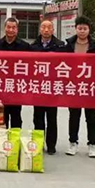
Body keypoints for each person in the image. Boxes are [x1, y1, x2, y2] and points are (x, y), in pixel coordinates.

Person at [61, 15, 95, 158]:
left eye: (85, 28)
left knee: (91, 117)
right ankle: (73, 143)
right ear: (75, 29)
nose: (82, 31)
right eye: (80, 28)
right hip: (74, 86)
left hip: (90, 86)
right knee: (74, 116)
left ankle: (92, 145)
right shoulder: (68, 45)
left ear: (89, 30)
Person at [30, 16, 64, 154]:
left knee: (51, 118)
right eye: (43, 27)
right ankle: (39, 143)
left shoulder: (60, 46)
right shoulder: (33, 46)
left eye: (49, 27)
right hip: (38, 87)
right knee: (38, 118)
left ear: (53, 30)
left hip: (52, 87)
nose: (46, 30)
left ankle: (51, 145)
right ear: (40, 29)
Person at [0, 17, 31, 129]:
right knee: (2, 116)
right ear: (4, 28)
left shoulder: (25, 46)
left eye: (13, 27)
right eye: (8, 27)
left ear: (17, 29)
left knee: (16, 116)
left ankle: (16, 138)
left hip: (17, 87)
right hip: (1, 86)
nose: (11, 30)